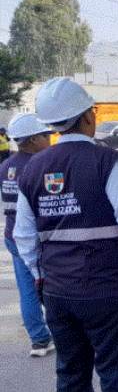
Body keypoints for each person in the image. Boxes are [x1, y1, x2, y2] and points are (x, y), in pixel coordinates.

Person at [14, 77, 118, 392]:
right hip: (108, 290)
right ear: (86, 116)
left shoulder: (32, 168)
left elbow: (24, 236)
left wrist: (39, 277)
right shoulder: (108, 161)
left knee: (71, 377)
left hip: (58, 292)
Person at [1, 114, 55, 357]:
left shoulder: (5, 166)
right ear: (33, 139)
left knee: (27, 289)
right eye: (46, 135)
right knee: (51, 286)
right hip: (37, 238)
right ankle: (65, 333)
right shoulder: (40, 165)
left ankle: (39, 340)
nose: (50, 139)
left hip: (13, 236)